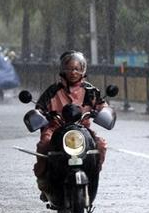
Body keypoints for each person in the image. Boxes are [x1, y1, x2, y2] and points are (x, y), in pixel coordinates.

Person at [33, 50, 108, 203]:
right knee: (44, 145)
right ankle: (42, 181)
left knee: (100, 145)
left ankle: (93, 173)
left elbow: (102, 106)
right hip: (56, 128)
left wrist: (104, 112)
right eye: (70, 68)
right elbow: (39, 108)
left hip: (82, 129)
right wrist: (39, 114)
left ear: (83, 70)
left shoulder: (90, 91)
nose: (74, 72)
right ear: (63, 70)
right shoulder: (53, 90)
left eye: (77, 68)